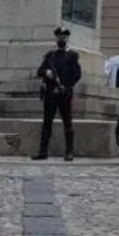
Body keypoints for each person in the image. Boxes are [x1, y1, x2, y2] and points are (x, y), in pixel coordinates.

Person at [33, 26, 82, 161]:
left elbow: (77, 74)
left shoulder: (72, 56)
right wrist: (46, 72)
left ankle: (69, 152)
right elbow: (40, 70)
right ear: (56, 38)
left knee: (67, 122)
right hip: (50, 94)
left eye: (64, 37)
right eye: (59, 37)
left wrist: (66, 86)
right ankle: (43, 151)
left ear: (67, 39)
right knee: (47, 122)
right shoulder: (50, 56)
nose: (61, 39)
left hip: (64, 94)